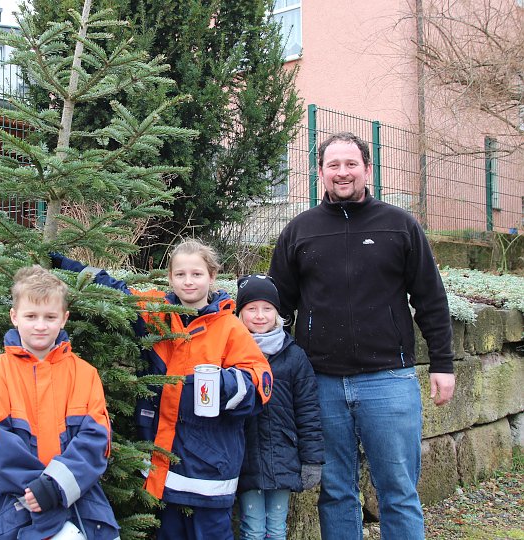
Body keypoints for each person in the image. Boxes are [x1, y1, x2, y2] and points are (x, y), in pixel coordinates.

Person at [268, 131, 456, 540]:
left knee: (398, 492)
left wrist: (442, 364)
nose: (342, 173)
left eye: (351, 164)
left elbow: (430, 298)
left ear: (368, 169)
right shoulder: (300, 231)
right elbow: (275, 305)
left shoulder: (400, 225)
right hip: (320, 383)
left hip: (389, 380)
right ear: (320, 172)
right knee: (335, 492)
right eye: (333, 165)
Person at [51, 240, 273, 540]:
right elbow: (115, 291)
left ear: (212, 276)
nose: (188, 281)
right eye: (180, 274)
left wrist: (224, 384)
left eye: (196, 274)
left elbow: (260, 382)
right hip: (162, 472)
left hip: (209, 473)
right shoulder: (156, 313)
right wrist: (67, 267)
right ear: (170, 278)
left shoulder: (230, 328)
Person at [0, 265, 120, 540]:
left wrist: (56, 487)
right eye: (31, 316)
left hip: (81, 506)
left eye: (50, 317)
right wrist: (37, 492)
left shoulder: (85, 374)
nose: (40, 325)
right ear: (14, 317)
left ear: (64, 319)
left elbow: (97, 440)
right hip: (12, 508)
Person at [235, 274, 323, 540]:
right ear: (240, 313)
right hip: (245, 456)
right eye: (251, 308)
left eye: (267, 308)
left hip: (283, 455)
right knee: (252, 527)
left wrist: (312, 459)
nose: (259, 315)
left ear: (278, 313)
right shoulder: (233, 351)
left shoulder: (293, 356)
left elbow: (308, 410)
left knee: (276, 527)